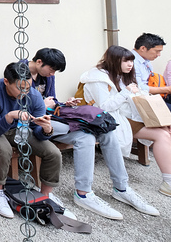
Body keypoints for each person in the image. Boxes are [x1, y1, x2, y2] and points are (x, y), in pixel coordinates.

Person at [31, 47, 159, 218]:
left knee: (104, 133)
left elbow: (52, 100)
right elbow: (20, 105)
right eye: (52, 69)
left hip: (54, 118)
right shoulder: (20, 73)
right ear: (39, 62)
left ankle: (120, 188)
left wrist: (63, 104)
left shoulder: (48, 76)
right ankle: (84, 193)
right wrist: (43, 103)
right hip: (35, 123)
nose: (53, 74)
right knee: (90, 133)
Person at [80, 45, 171, 201]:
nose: (130, 65)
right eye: (126, 61)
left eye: (131, 61)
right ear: (114, 60)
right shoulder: (98, 79)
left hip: (132, 118)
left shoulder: (123, 75)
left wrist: (166, 122)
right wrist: (126, 92)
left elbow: (141, 100)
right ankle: (170, 183)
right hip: (112, 121)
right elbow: (104, 107)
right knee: (163, 136)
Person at [0, 62, 75, 219]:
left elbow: (37, 132)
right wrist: (10, 116)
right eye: (20, 88)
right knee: (4, 150)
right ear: (6, 82)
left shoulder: (34, 96)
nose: (25, 92)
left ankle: (45, 195)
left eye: (28, 88)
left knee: (53, 152)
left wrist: (46, 129)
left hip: (22, 130)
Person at [131, 33, 171, 126]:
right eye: (157, 51)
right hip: (142, 101)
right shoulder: (131, 61)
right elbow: (139, 88)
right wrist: (168, 89)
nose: (159, 55)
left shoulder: (146, 61)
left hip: (156, 97)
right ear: (143, 48)